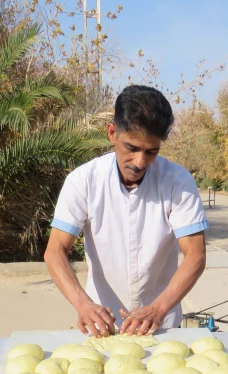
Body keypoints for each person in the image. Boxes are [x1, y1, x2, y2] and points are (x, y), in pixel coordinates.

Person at [44, 85, 208, 337]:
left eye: (152, 151)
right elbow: (55, 252)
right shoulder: (83, 181)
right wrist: (83, 304)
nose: (140, 162)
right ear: (112, 132)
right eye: (132, 148)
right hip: (102, 324)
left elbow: (195, 255)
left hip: (161, 324)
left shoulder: (178, 182)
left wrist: (158, 309)